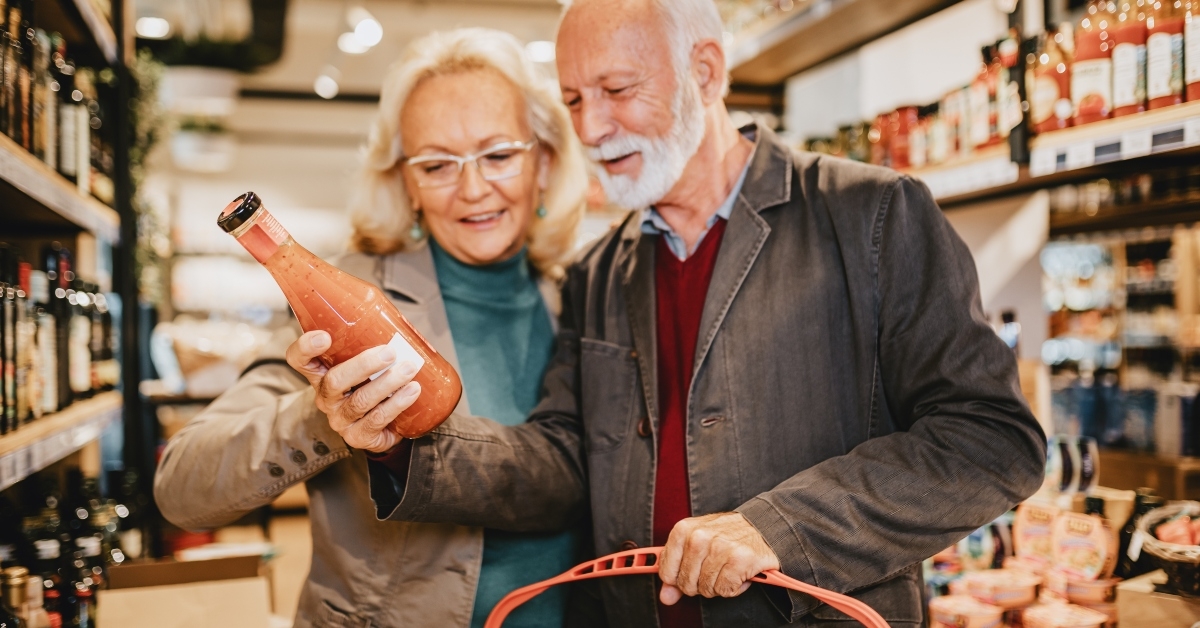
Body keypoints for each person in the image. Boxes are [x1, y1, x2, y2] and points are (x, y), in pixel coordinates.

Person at [291, 1, 1047, 626]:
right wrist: (401, 443)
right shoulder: (600, 271)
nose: (590, 129)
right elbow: (563, 460)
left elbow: (991, 439)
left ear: (706, 71)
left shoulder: (872, 216)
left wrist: (778, 528)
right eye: (576, 100)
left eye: (618, 90)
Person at [153, 28, 591, 628]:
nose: (472, 188)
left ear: (543, 160)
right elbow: (182, 487)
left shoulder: (580, 299)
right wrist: (323, 416)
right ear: (406, 181)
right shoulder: (350, 298)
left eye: (499, 155)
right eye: (437, 164)